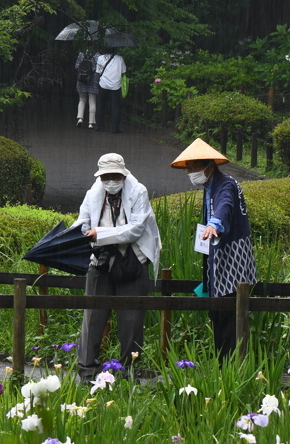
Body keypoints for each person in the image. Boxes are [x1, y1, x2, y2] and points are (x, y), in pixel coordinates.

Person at [72, 153, 161, 382]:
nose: (111, 181)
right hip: (101, 260)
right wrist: (75, 234)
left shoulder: (138, 191)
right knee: (92, 316)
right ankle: (87, 372)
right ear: (100, 177)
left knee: (131, 318)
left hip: (133, 260)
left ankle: (128, 372)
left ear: (124, 174)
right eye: (106, 177)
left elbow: (135, 229)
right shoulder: (93, 194)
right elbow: (83, 222)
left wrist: (100, 234)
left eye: (115, 176)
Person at [171, 138, 257, 360]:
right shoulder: (209, 186)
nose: (191, 172)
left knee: (229, 309)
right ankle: (222, 364)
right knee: (217, 312)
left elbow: (225, 206)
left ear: (209, 165)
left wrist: (213, 224)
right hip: (217, 257)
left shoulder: (226, 184)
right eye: (188, 168)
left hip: (232, 256)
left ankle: (232, 364)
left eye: (195, 167)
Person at [95, 50, 127, 133]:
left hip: (103, 84)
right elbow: (124, 72)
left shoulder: (100, 58)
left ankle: (100, 126)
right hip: (116, 86)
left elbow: (98, 72)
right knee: (116, 107)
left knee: (101, 106)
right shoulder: (120, 58)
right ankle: (115, 128)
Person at [75, 51, 99, 129]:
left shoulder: (81, 54)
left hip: (81, 79)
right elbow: (99, 68)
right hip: (93, 80)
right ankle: (90, 123)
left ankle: (80, 118)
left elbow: (76, 66)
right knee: (92, 101)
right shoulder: (97, 54)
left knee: (82, 99)